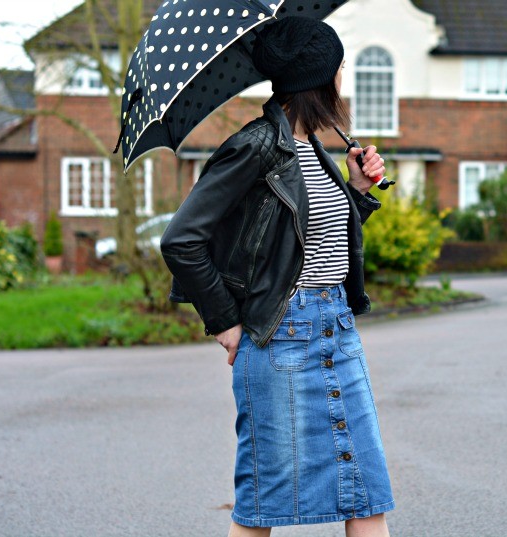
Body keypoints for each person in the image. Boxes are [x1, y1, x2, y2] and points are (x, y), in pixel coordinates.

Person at [160, 16, 394, 537]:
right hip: (280, 339)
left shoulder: (311, 149)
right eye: (338, 73)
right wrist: (224, 320)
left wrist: (356, 189)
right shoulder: (257, 146)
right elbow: (181, 240)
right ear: (321, 80)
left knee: (366, 492)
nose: (342, 84)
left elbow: (312, 241)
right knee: (265, 501)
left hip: (337, 332)